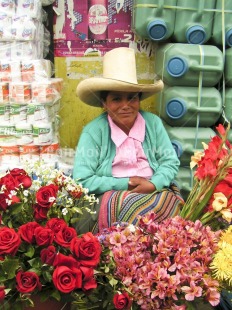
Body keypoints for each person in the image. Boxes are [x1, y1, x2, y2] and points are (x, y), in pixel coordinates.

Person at [73, 47, 184, 233]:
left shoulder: (153, 124)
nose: (126, 106)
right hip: (110, 194)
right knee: (130, 208)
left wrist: (153, 184)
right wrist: (127, 183)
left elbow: (170, 162)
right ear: (104, 103)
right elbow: (82, 180)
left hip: (154, 190)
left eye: (132, 98)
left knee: (167, 204)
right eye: (116, 99)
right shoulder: (93, 132)